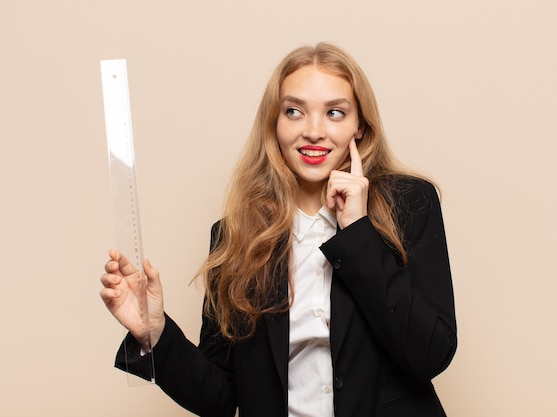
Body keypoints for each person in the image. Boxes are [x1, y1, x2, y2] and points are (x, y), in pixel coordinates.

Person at [100, 42, 456, 417]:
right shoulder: (237, 235)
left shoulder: (410, 204)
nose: (314, 131)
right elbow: (219, 398)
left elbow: (430, 355)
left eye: (335, 112)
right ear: (275, 124)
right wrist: (153, 332)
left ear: (360, 127)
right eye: (294, 112)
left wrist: (358, 233)